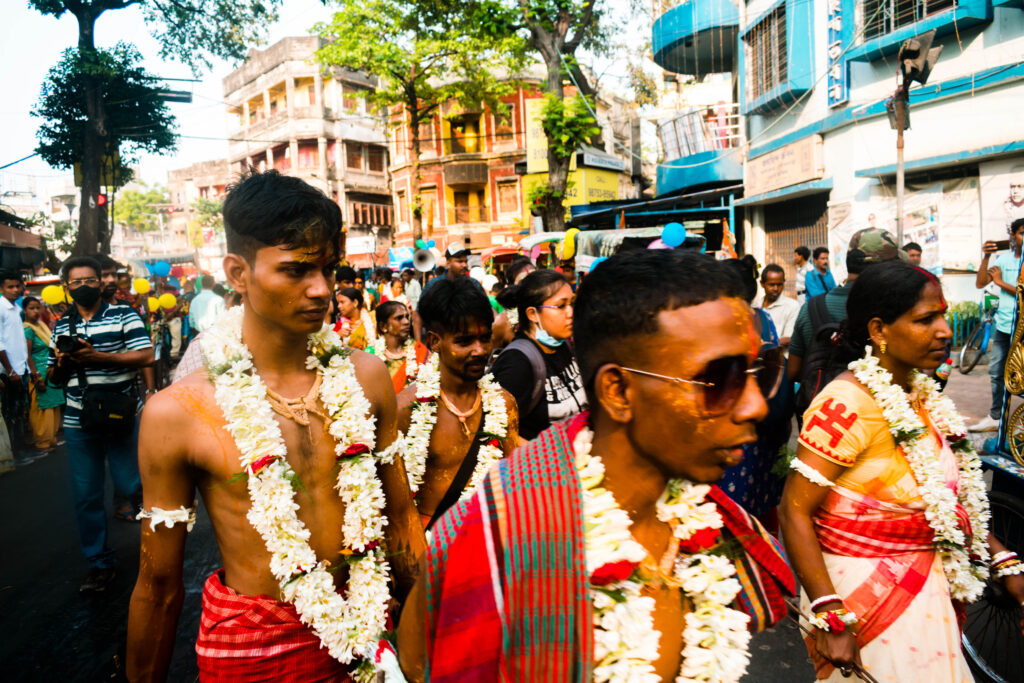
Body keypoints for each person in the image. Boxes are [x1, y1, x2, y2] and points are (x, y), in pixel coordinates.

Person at [397, 249, 795, 681]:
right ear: (618, 391)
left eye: (760, 370)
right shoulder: (500, 536)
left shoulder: (709, 521)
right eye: (719, 381)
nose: (756, 404)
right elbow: (419, 664)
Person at [127, 170, 425, 682]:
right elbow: (158, 584)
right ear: (237, 273)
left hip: (373, 633)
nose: (321, 290)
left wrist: (421, 652)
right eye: (296, 271)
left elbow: (400, 519)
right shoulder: (177, 413)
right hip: (253, 652)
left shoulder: (368, 377)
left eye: (329, 269)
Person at [780, 260, 1023, 681]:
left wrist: (1003, 559)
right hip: (863, 595)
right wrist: (829, 615)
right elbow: (793, 511)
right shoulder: (845, 404)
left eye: (943, 315)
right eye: (926, 319)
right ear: (879, 331)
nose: (945, 330)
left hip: (926, 588)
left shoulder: (920, 394)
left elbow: (948, 503)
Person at [47, 256, 154, 593]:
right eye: (76, 282)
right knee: (86, 496)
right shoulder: (62, 326)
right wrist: (63, 363)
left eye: (89, 280)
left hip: (119, 416)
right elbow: (52, 376)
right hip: (79, 421)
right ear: (67, 287)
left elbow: (146, 355)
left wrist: (99, 358)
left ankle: (158, 552)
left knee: (132, 484)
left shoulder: (124, 314)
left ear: (101, 282)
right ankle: (99, 564)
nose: (83, 286)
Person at [396, 277, 518, 530]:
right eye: (464, 341)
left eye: (485, 338)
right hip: (428, 549)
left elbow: (511, 483)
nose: (480, 350)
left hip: (487, 539)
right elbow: (397, 507)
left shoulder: (504, 404)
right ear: (434, 342)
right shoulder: (405, 409)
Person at [719, 257, 789, 523]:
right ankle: (767, 552)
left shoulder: (725, 324)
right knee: (762, 498)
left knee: (733, 508)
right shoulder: (764, 318)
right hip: (768, 422)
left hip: (738, 421)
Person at [491, 269, 587, 440]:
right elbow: (497, 432)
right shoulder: (517, 363)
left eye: (571, 303)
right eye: (561, 306)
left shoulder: (564, 345)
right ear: (532, 314)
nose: (570, 312)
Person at [969, 217, 1024, 432]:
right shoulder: (1004, 259)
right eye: (1021, 233)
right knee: (996, 371)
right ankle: (996, 417)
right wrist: (986, 257)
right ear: (1013, 235)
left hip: (1022, 326)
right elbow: (981, 282)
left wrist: (1000, 283)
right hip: (1004, 325)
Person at [22, 296, 64, 455]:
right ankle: (42, 441)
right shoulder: (27, 328)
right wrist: (35, 375)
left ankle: (51, 438)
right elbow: (27, 354)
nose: (35, 311)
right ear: (25, 310)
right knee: (42, 408)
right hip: (39, 373)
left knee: (53, 406)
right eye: (31, 308)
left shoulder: (41, 325)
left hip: (50, 371)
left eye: (37, 308)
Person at [372, 300, 429, 394]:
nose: (406, 322)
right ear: (383, 326)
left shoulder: (420, 350)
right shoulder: (371, 354)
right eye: (399, 318)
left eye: (407, 317)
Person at [0, 270, 29, 456]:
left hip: (21, 367)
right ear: (1, 288)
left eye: (18, 285)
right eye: (10, 286)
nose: (15, 290)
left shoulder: (17, 309)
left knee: (20, 413)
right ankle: (15, 453)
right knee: (10, 413)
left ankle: (22, 449)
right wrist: (10, 371)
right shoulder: (1, 308)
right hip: (9, 371)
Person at [755, 264, 800, 355]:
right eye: (771, 285)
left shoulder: (792, 306)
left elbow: (789, 338)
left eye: (779, 285)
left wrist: (766, 345)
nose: (776, 289)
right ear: (762, 284)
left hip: (780, 359)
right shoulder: (755, 305)